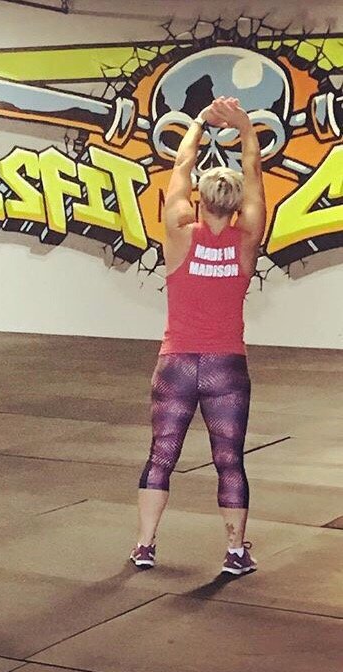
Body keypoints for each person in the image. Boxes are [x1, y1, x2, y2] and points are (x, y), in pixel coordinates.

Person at [130, 96, 266, 576]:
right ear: (236, 206)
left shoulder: (178, 233)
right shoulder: (247, 241)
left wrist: (198, 121)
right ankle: (234, 552)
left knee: (161, 455)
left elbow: (181, 167)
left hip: (176, 363)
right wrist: (244, 128)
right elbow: (254, 176)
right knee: (229, 460)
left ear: (200, 201)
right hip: (226, 366)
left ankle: (145, 545)